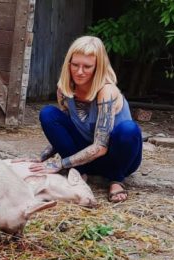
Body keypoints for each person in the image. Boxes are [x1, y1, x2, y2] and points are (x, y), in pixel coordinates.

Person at [27, 36, 142, 203]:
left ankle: (116, 180)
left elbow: (101, 147)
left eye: (87, 66)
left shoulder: (107, 91)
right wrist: (42, 158)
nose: (79, 71)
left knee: (128, 129)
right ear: (69, 64)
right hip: (85, 158)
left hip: (117, 159)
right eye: (75, 65)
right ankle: (78, 171)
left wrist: (59, 164)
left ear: (98, 67)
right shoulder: (64, 90)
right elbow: (65, 130)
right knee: (48, 113)